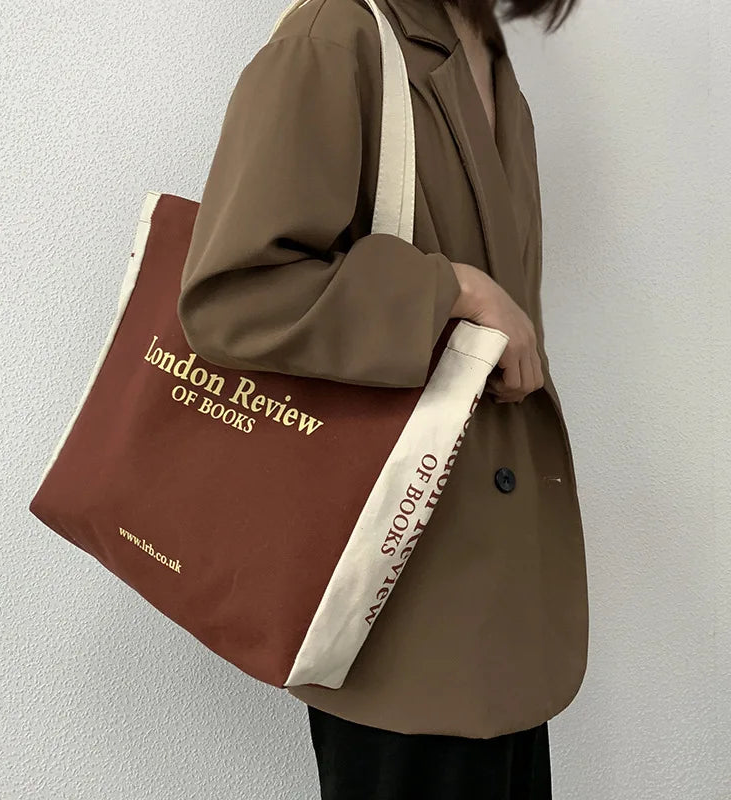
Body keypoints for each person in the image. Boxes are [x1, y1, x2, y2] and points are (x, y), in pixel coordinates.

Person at [177, 0, 587, 796]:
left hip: (499, 588)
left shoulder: (486, 49)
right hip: (394, 591)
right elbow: (232, 298)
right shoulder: (335, 36)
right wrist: (453, 291)